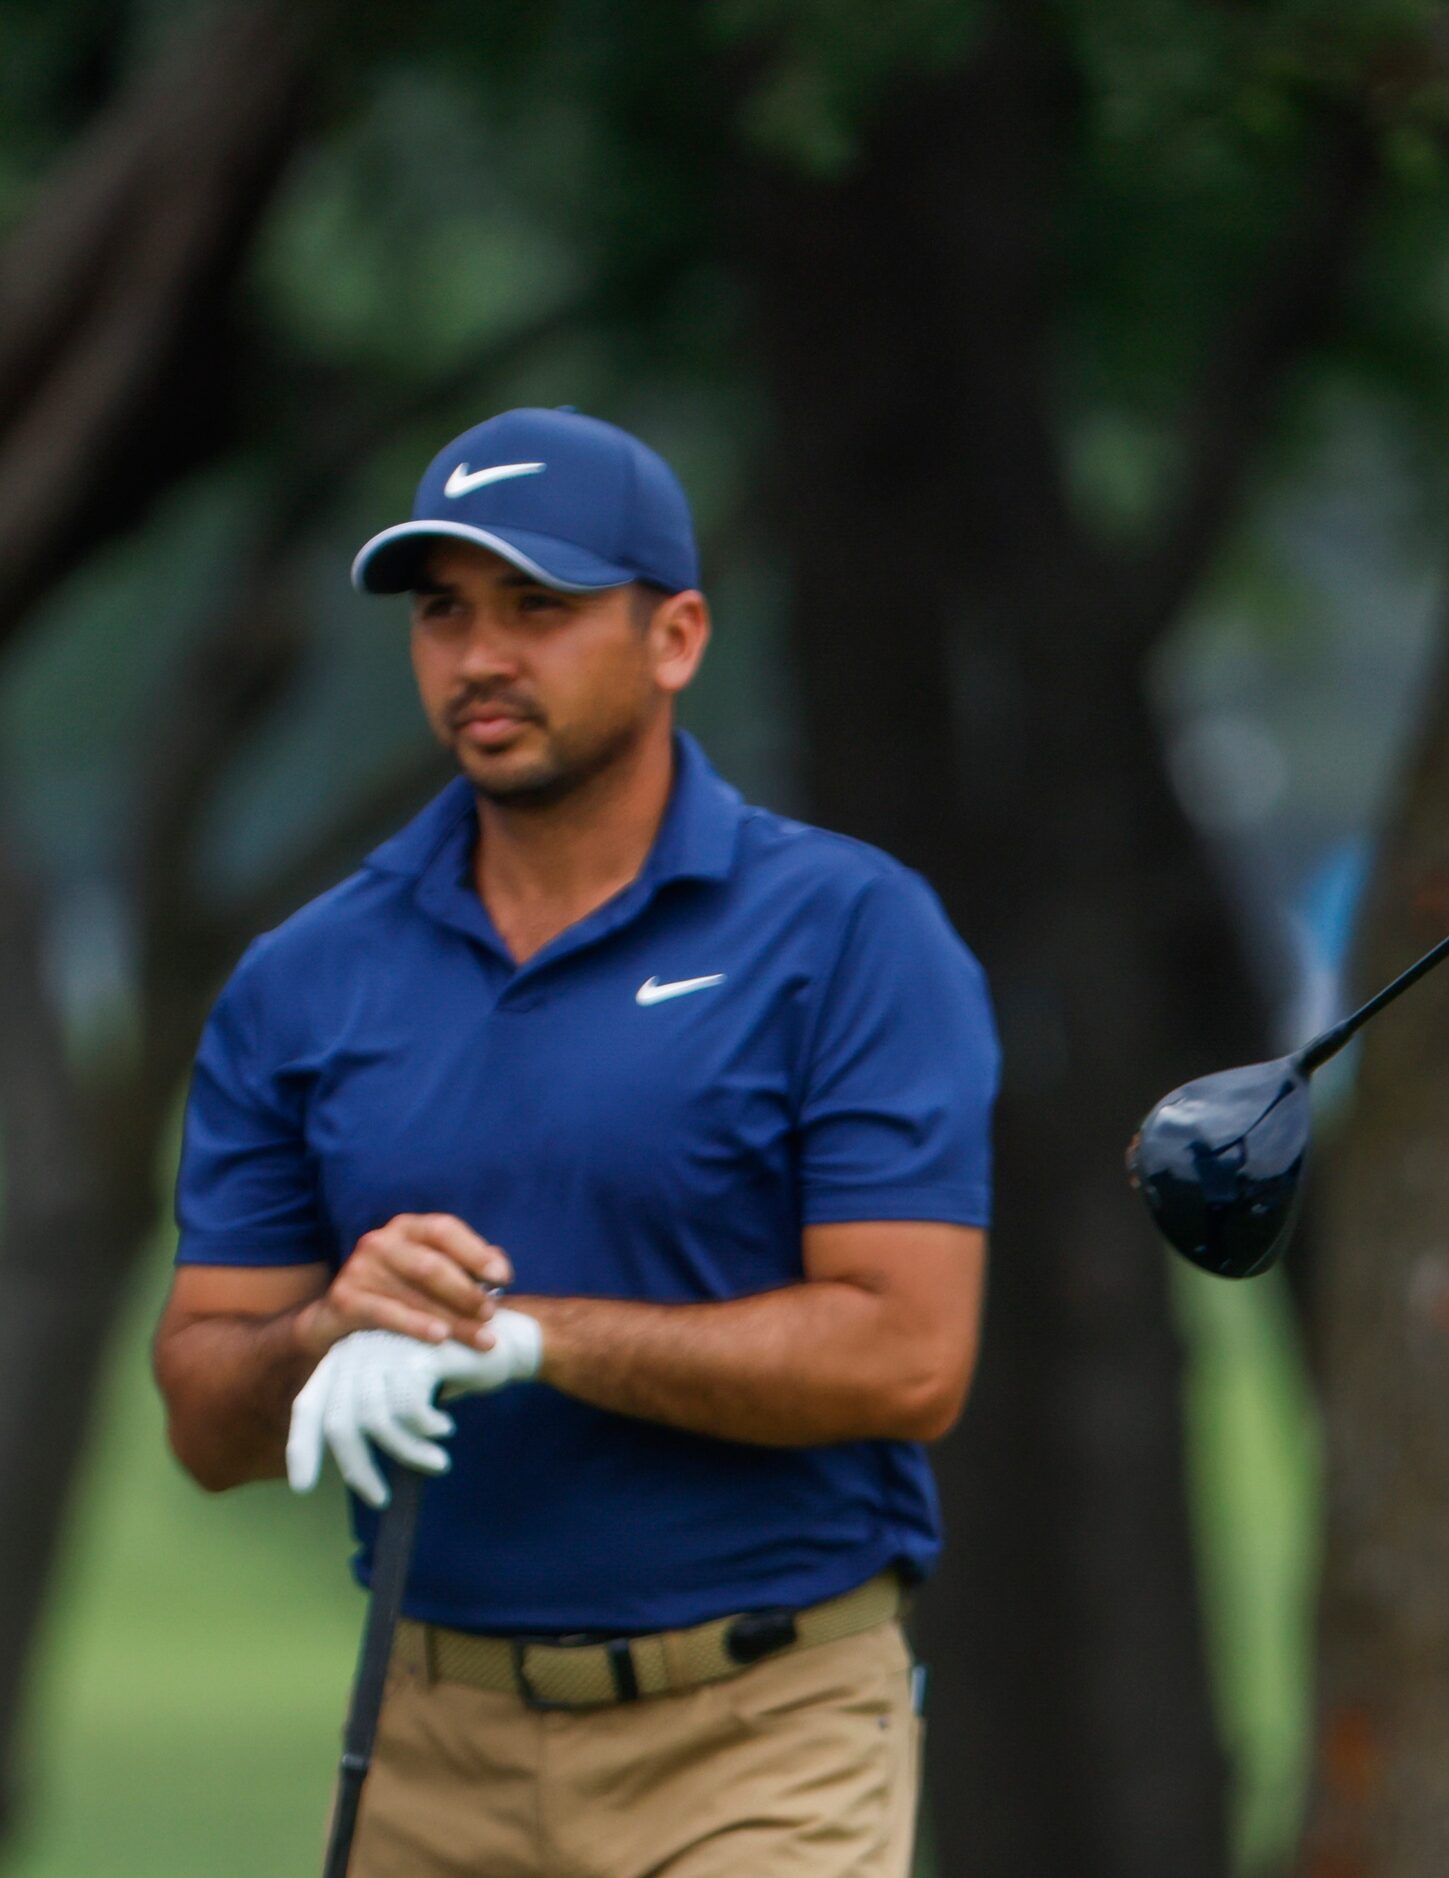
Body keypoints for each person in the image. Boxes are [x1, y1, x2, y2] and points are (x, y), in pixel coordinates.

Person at [150, 406, 997, 1876]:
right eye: (443, 613)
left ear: (675, 635)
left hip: (760, 1733)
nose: (480, 655)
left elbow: (908, 1356)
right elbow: (204, 1413)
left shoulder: (848, 933)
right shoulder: (305, 976)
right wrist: (326, 1335)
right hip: (430, 1732)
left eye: (538, 607)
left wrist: (525, 1338)